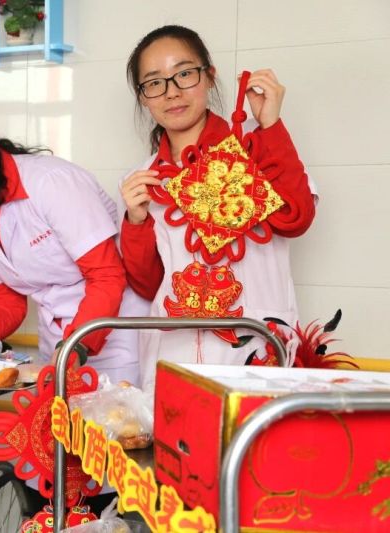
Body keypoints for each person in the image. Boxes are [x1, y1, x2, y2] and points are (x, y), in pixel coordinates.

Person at [118, 25, 317, 393]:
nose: (172, 92)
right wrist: (135, 221)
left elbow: (297, 217)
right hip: (173, 352)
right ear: (143, 97)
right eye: (154, 82)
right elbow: (148, 283)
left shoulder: (255, 146)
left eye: (184, 74)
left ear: (209, 76)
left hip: (255, 348)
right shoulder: (145, 179)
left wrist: (271, 125)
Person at [0, 91, 146, 388]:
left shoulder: (50, 182)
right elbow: (6, 300)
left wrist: (74, 347)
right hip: (56, 347)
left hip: (114, 341)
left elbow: (107, 275)